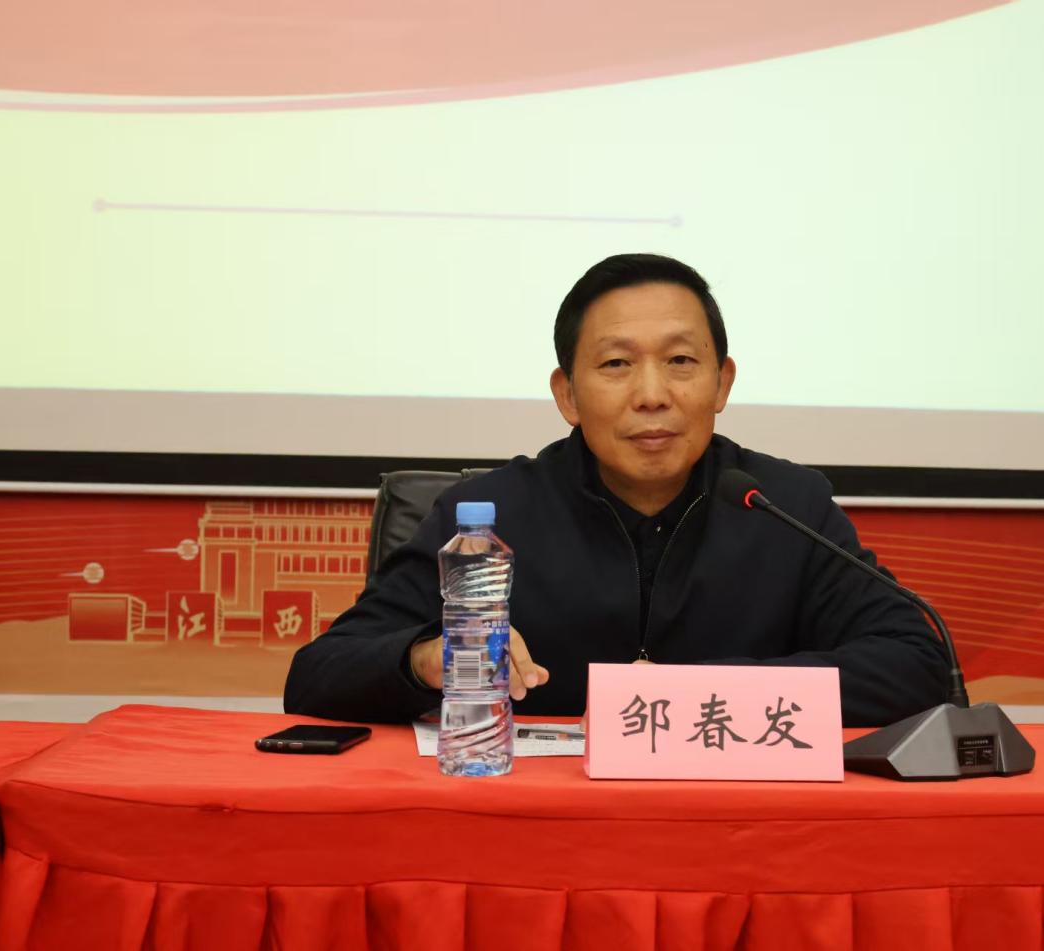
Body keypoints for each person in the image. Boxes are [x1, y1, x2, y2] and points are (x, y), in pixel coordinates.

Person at [284, 254, 949, 726]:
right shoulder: (488, 516)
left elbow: (915, 666)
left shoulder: (784, 505)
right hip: (539, 826)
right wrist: (423, 660)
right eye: (616, 364)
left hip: (737, 821)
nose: (652, 395)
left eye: (681, 361)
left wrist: (696, 693)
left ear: (721, 383)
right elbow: (319, 673)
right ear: (568, 395)